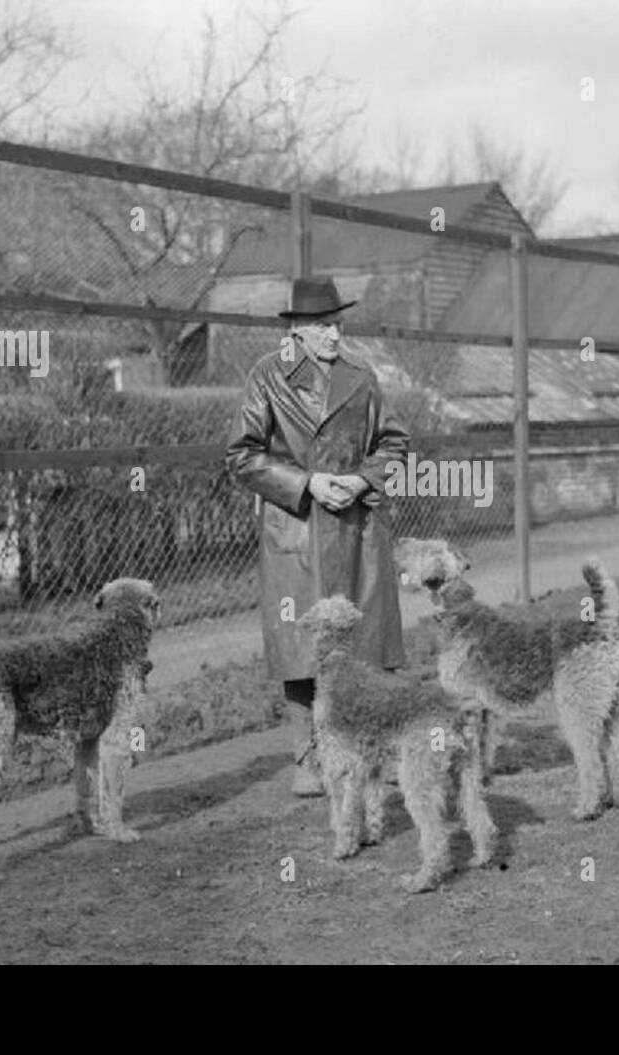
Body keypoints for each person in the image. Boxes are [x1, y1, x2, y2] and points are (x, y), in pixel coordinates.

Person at [225, 276, 408, 796]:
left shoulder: (362, 377)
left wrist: (359, 479)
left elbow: (394, 443)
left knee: (368, 639)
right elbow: (241, 456)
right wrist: (307, 483)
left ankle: (381, 746)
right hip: (298, 528)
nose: (333, 334)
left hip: (357, 525)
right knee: (301, 645)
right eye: (323, 326)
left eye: (338, 324)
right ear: (298, 330)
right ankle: (308, 759)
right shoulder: (267, 377)